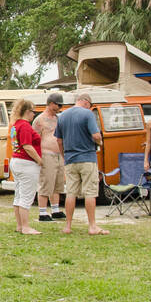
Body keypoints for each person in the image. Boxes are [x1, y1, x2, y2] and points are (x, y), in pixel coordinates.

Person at [54, 93, 108, 236]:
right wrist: (100, 142)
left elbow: (59, 140)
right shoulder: (87, 114)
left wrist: (64, 156)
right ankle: (92, 226)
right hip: (87, 158)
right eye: (90, 105)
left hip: (70, 159)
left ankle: (68, 226)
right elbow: (96, 135)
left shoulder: (63, 116)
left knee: (71, 193)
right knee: (90, 192)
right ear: (86, 102)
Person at [9, 99, 43, 235]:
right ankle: (26, 226)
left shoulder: (15, 125)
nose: (34, 115)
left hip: (16, 161)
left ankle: (20, 225)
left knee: (19, 194)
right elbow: (27, 146)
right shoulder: (25, 126)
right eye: (33, 112)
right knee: (27, 196)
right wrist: (39, 160)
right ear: (27, 112)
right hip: (26, 164)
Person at [33, 93, 67, 222]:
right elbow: (35, 139)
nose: (59, 108)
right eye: (58, 105)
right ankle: (42, 212)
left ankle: (55, 209)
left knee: (57, 184)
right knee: (46, 183)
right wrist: (38, 157)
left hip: (59, 155)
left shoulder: (58, 118)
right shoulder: (40, 119)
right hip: (46, 155)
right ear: (51, 103)